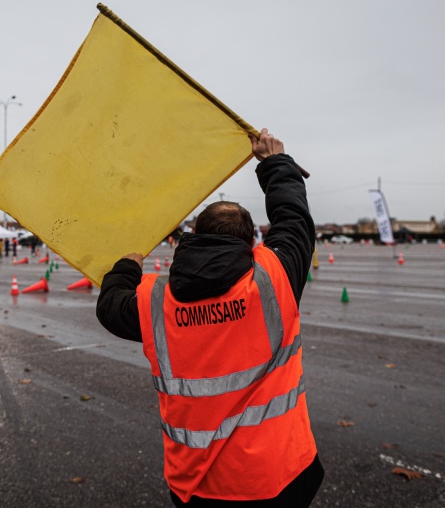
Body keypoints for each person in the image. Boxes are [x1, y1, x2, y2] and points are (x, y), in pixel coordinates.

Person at [96, 128, 323, 506]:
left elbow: (109, 307)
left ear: (194, 235)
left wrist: (126, 265)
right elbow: (294, 218)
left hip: (200, 486)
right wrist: (275, 163)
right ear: (251, 242)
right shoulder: (275, 278)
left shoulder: (154, 301)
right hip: (282, 475)